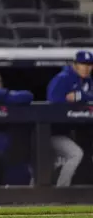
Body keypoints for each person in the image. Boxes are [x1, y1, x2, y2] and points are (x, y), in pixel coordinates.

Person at [47, 50, 93, 187]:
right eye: (83, 64)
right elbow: (53, 101)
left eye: (89, 64)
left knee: (52, 164)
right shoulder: (63, 78)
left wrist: (79, 97)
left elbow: (88, 96)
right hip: (49, 131)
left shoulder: (87, 81)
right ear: (75, 64)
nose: (86, 68)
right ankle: (61, 193)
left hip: (69, 131)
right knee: (75, 154)